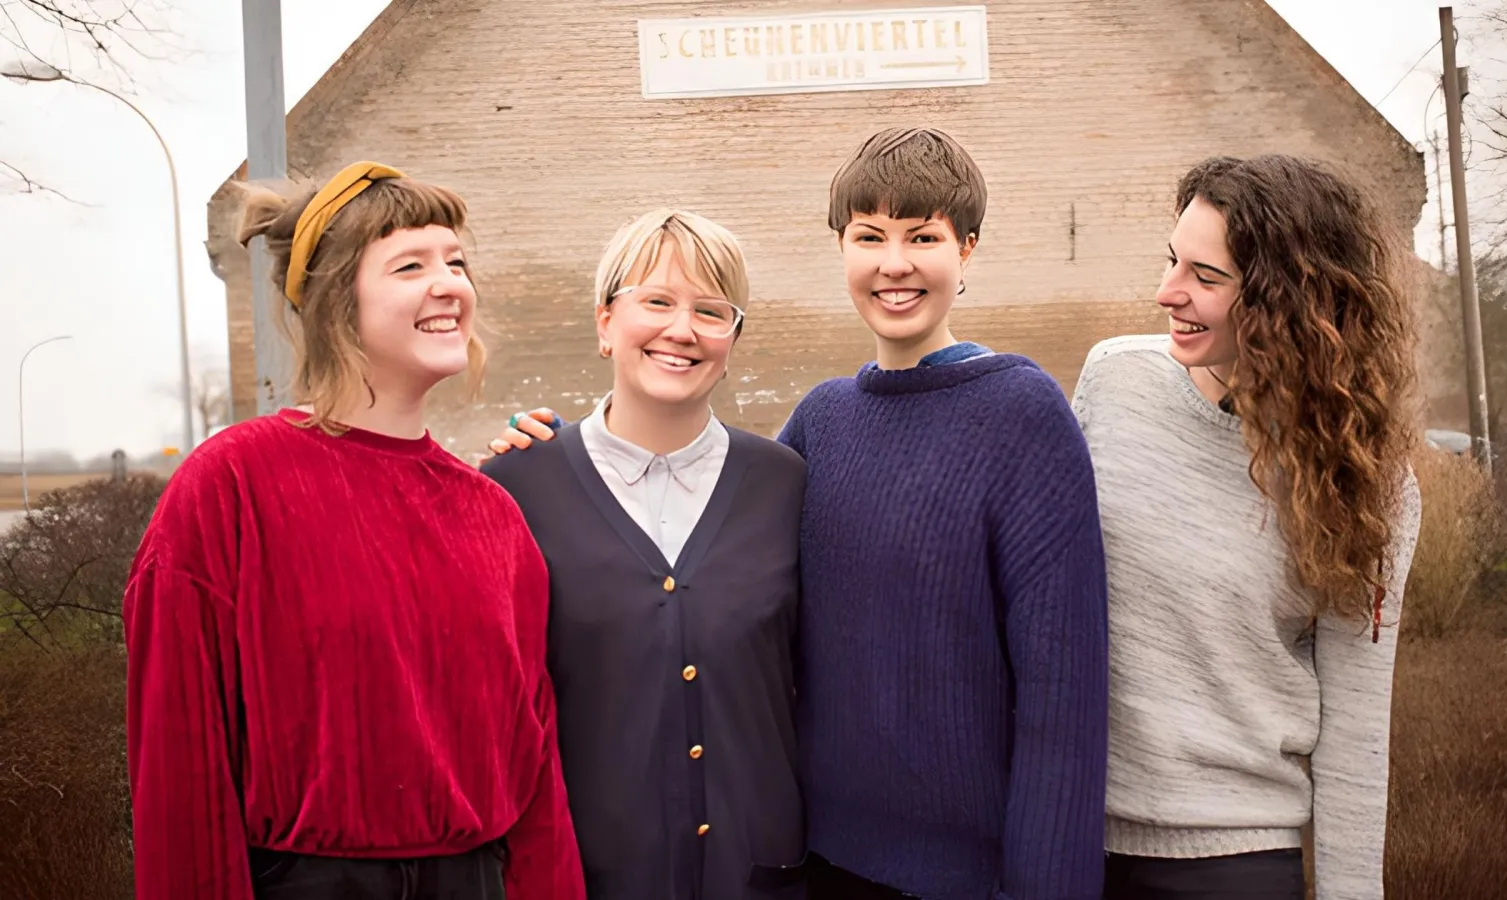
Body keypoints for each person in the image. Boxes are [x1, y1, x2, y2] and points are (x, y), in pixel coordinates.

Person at [490, 127, 1110, 900]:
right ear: (841, 247)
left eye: (923, 237)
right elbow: (715, 546)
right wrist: (547, 450)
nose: (894, 263)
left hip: (965, 877)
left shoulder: (1022, 413)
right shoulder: (820, 425)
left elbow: (1065, 696)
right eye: (870, 236)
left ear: (969, 250)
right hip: (817, 863)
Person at [122, 161, 584, 900]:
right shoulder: (230, 486)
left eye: (456, 263)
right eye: (411, 265)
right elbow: (180, 771)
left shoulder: (493, 515)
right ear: (339, 301)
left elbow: (534, 773)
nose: (450, 285)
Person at [1075, 154, 1422, 900]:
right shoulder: (1114, 380)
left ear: (1289, 303)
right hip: (1074, 844)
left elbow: (1357, 737)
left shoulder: (1368, 483)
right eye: (1173, 261)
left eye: (1207, 277)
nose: (1168, 293)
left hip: (1237, 864)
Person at [479, 209, 809, 900]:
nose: (681, 330)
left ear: (734, 337)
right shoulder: (516, 488)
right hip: (585, 879)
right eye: (656, 301)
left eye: (711, 311)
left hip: (758, 878)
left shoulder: (787, 485)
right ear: (605, 322)